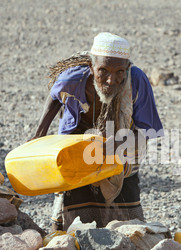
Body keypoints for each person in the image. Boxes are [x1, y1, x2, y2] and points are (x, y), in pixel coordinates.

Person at [31, 32, 163, 231]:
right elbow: (54, 96)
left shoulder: (136, 81)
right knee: (72, 199)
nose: (111, 80)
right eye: (103, 71)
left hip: (121, 138)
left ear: (127, 68)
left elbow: (149, 132)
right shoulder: (73, 78)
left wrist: (120, 145)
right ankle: (65, 247)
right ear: (91, 68)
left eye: (119, 71)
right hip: (79, 139)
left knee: (129, 224)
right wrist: (39, 134)